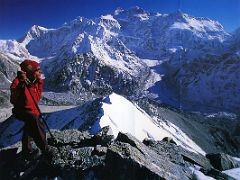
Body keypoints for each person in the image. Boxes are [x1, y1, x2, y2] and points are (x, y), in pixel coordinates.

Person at [10, 59, 47, 160]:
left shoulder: (34, 82)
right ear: (31, 71)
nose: (40, 72)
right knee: (33, 121)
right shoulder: (18, 81)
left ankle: (27, 152)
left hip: (31, 111)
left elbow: (36, 98)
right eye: (37, 70)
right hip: (21, 111)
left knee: (30, 126)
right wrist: (21, 84)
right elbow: (13, 99)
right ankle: (44, 148)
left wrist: (39, 82)